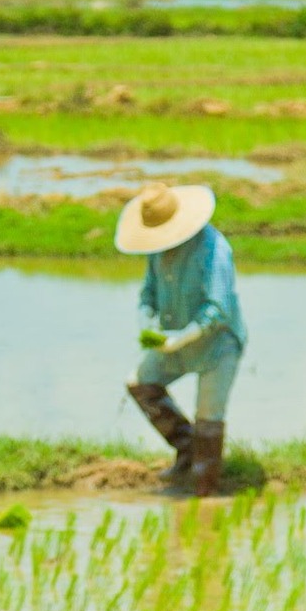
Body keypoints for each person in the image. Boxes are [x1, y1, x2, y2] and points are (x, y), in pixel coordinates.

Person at [116, 182, 247, 497]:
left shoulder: (213, 249)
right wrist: (146, 318)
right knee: (140, 383)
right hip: (172, 340)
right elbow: (148, 292)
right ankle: (187, 450)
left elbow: (218, 307)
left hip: (217, 344)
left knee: (208, 417)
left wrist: (185, 335)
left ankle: (205, 490)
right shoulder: (156, 251)